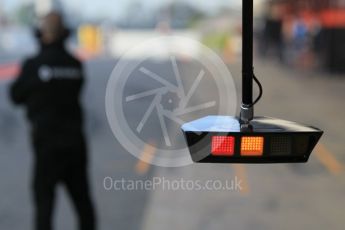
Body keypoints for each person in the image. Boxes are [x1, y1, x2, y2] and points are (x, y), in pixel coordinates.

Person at [9, 11, 96, 230]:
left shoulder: (33, 65)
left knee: (44, 207)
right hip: (75, 144)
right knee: (83, 204)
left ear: (40, 33)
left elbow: (15, 96)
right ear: (66, 34)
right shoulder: (75, 65)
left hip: (47, 146)